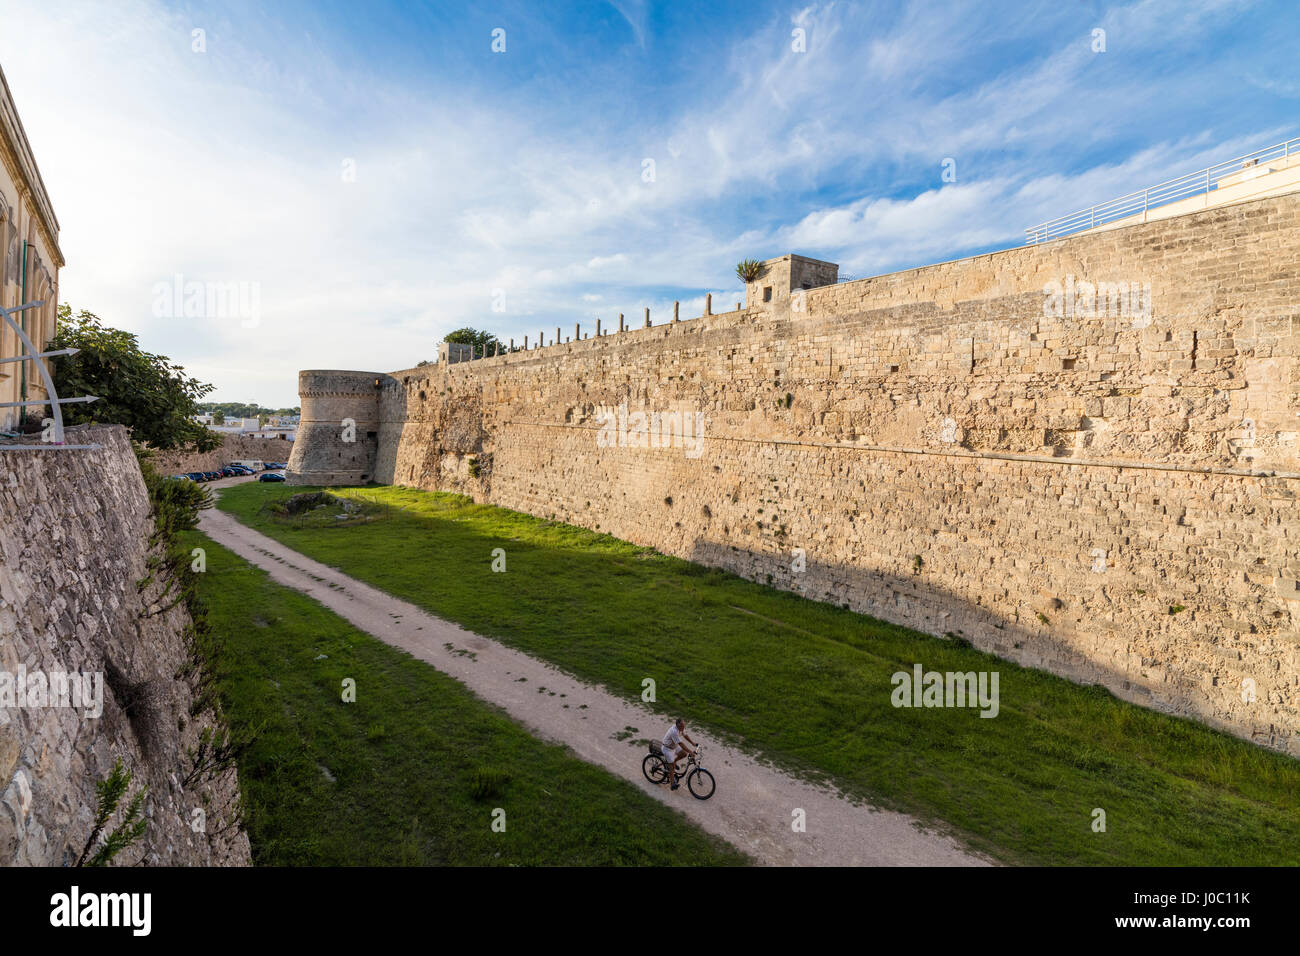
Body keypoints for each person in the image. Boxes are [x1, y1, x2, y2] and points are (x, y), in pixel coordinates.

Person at [661, 718, 697, 791]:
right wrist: (691, 752)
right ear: (677, 725)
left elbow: (685, 735)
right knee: (671, 767)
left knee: (684, 754)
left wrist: (693, 743)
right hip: (667, 749)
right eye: (682, 727)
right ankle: (672, 784)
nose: (683, 728)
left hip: (673, 746)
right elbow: (681, 744)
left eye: (684, 726)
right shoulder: (674, 731)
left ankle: (674, 761)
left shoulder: (681, 728)